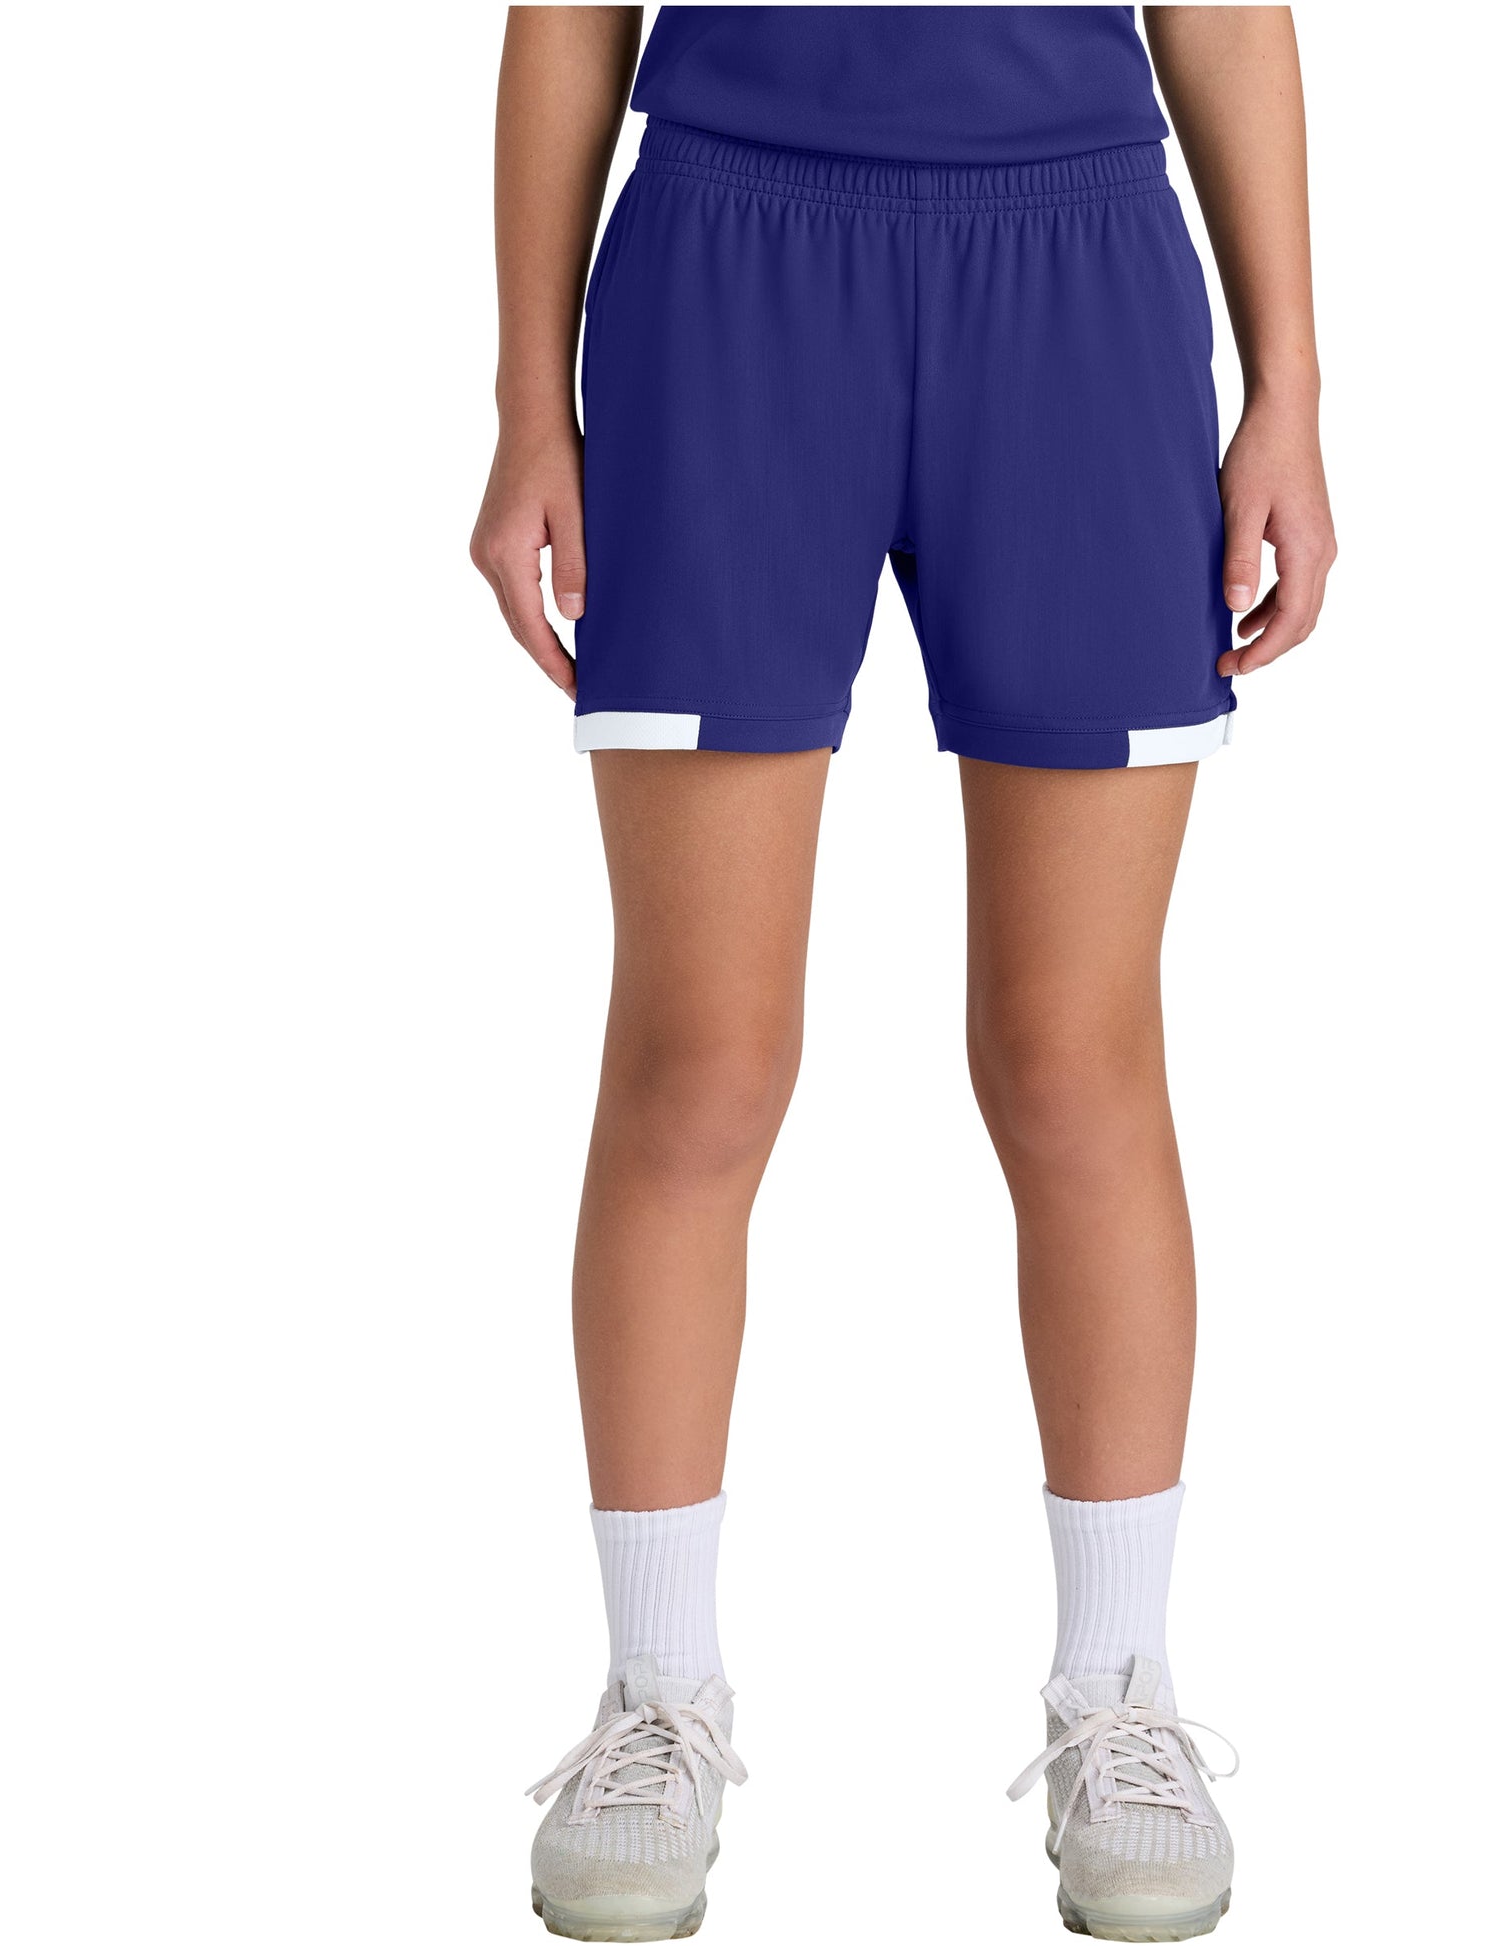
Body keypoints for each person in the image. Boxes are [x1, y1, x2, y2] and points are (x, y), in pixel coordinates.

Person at [472, 8, 1334, 1938]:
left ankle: (1119, 1692)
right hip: (726, 273)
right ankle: (655, 1693)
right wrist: (531, 402)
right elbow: (566, 16)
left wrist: (1287, 383)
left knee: (1072, 1059)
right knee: (699, 1061)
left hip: (1075, 276)